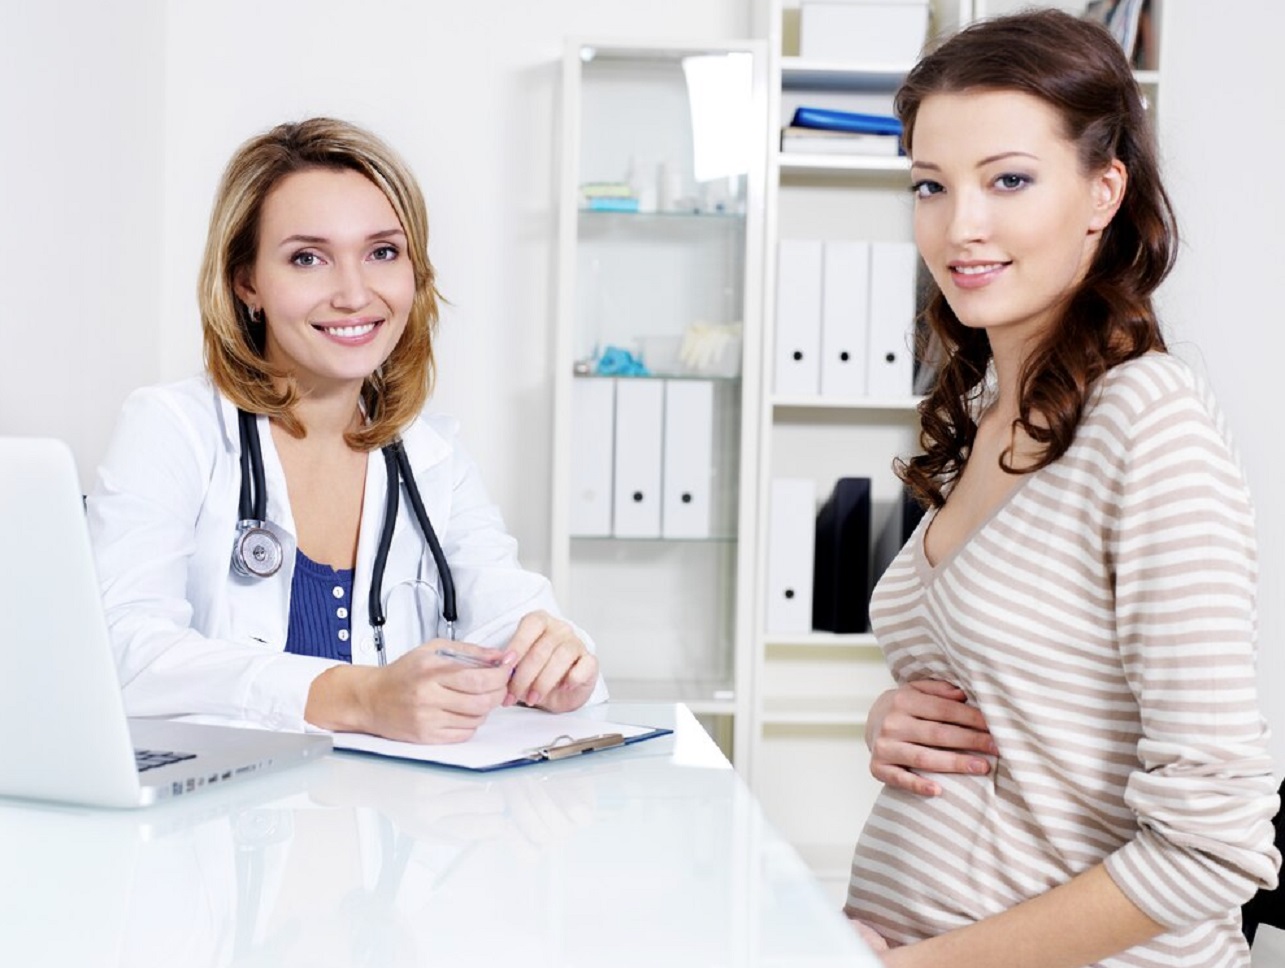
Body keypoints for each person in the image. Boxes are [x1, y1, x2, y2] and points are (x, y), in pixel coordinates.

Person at [843, 10, 1279, 967]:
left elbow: (1212, 844)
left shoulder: (1148, 424)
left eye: (1008, 180)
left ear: (1102, 190)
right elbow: (1036, 711)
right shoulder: (991, 409)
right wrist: (894, 719)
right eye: (930, 185)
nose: (959, 226)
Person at [87, 117, 606, 743]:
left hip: (394, 803)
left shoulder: (430, 457)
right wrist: (358, 696)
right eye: (308, 258)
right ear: (246, 282)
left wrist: (560, 666)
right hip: (227, 804)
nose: (354, 294)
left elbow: (515, 622)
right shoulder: (174, 430)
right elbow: (122, 653)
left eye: (382, 252)